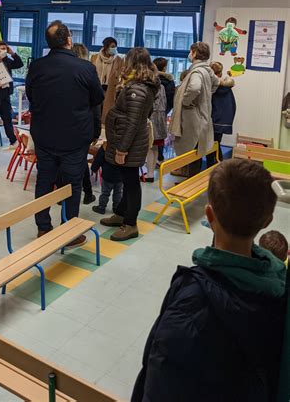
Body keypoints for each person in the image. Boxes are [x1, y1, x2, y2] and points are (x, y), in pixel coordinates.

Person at [132, 159, 289, 402]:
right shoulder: (279, 290)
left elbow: (159, 381)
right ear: (267, 221)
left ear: (209, 215)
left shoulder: (190, 303)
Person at [25, 21, 104, 243]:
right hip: (75, 136)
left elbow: (31, 95)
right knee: (73, 183)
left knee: (44, 181)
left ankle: (43, 228)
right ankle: (69, 232)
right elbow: (97, 98)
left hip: (44, 134)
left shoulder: (37, 66)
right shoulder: (85, 68)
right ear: (69, 39)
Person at [101, 48, 159, 241]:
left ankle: (130, 224)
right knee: (128, 180)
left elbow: (133, 122)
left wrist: (122, 149)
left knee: (132, 183)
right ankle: (121, 214)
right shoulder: (140, 84)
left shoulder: (138, 89)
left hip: (130, 143)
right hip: (128, 139)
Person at [169, 42, 220, 177]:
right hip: (202, 118)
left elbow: (194, 88)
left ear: (195, 53)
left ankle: (189, 185)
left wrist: (186, 101)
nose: (189, 54)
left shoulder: (197, 72)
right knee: (196, 153)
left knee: (192, 153)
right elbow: (217, 83)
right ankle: (190, 180)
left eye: (191, 51)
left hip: (194, 120)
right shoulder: (207, 70)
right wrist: (207, 95)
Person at [72, 43, 101, 204]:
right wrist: (96, 132)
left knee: (65, 161)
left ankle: (63, 195)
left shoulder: (66, 75)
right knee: (80, 160)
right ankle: (88, 192)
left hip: (67, 126)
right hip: (84, 126)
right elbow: (96, 107)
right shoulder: (89, 73)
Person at [207, 61, 236, 166]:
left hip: (213, 121)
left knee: (211, 146)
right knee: (216, 144)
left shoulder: (213, 88)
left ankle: (213, 169)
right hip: (222, 122)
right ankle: (218, 167)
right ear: (220, 73)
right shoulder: (227, 88)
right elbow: (232, 106)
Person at [91, 36, 123, 124]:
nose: (114, 49)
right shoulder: (95, 57)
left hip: (109, 89)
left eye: (115, 47)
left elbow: (121, 75)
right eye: (112, 46)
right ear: (106, 47)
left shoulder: (118, 60)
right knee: (96, 110)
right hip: (96, 87)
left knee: (107, 111)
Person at [153, 57, 175, 163]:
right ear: (165, 68)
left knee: (150, 134)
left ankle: (149, 158)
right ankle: (160, 157)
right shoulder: (170, 81)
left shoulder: (150, 78)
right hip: (163, 110)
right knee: (160, 133)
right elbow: (171, 98)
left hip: (151, 110)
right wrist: (166, 109)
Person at [91, 143, 123, 215]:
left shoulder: (106, 145)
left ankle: (101, 207)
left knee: (105, 193)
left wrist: (94, 168)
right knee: (118, 193)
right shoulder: (124, 145)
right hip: (120, 175)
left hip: (108, 174)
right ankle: (116, 208)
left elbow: (99, 158)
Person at [144, 82, 167, 182]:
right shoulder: (161, 86)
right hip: (161, 118)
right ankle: (151, 172)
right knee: (155, 147)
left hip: (152, 118)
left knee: (150, 147)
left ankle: (149, 174)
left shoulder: (149, 87)